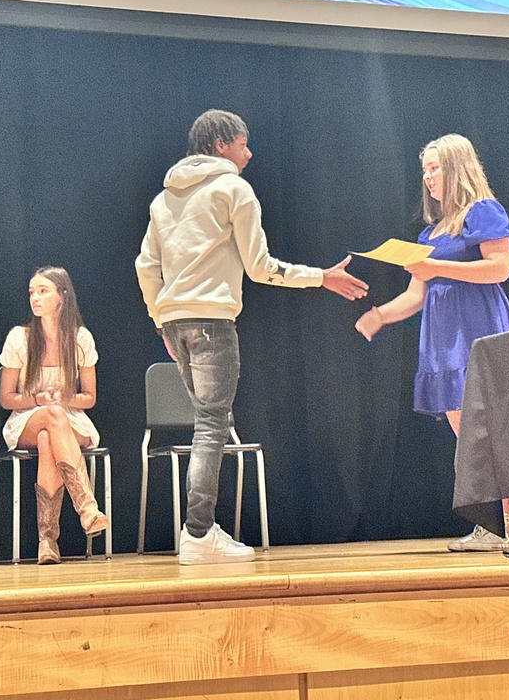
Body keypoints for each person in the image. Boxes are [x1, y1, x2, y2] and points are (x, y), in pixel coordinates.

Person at [135, 108, 369, 565]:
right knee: (211, 425)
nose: (249, 153)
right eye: (243, 144)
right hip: (211, 320)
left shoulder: (163, 200)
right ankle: (199, 533)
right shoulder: (233, 189)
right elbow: (260, 267)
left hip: (177, 322)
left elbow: (146, 266)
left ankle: (201, 532)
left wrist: (161, 319)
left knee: (207, 423)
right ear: (221, 144)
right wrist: (321, 277)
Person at [354, 133, 509, 552]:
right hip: (443, 338)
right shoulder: (431, 233)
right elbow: (416, 295)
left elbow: (499, 268)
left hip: (480, 327)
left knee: (497, 432)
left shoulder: (483, 211)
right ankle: (487, 527)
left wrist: (437, 266)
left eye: (434, 168)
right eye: (425, 170)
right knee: (468, 437)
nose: (428, 177)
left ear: (456, 167)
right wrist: (379, 315)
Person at [0, 266, 109, 564]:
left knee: (50, 438)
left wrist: (64, 396)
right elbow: (6, 399)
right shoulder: (19, 338)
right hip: (27, 418)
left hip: (68, 418)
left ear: (62, 295)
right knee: (50, 417)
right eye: (32, 292)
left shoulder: (80, 338)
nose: (35, 298)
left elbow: (90, 398)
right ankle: (86, 505)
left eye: (43, 291)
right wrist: (38, 398)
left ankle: (47, 541)